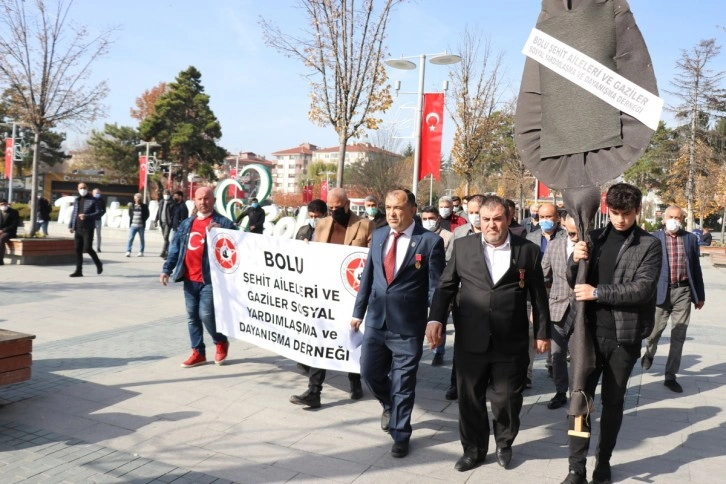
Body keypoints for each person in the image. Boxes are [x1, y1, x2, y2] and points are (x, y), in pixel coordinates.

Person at [427, 194, 550, 472]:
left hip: (511, 339)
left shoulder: (527, 251)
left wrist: (543, 332)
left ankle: (504, 444)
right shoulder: (463, 247)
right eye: (486, 220)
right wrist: (435, 319)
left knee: (507, 398)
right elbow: (445, 286)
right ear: (479, 221)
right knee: (469, 398)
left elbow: (538, 295)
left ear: (507, 218)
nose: (492, 225)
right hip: (471, 337)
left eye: (497, 219)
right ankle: (473, 449)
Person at [562, 183, 661, 484]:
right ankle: (575, 467)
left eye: (627, 214)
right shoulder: (593, 238)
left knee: (613, 403)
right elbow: (573, 281)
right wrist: (574, 259)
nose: (620, 219)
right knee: (579, 400)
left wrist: (598, 292)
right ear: (607, 209)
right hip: (587, 335)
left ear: (638, 211)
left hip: (623, 339)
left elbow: (643, 290)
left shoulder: (649, 244)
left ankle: (603, 462)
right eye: (615, 213)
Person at [352, 189, 445, 458]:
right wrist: (358, 312)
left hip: (408, 326)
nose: (392, 213)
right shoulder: (379, 235)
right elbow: (368, 277)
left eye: (398, 208)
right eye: (389, 207)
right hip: (376, 322)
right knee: (369, 372)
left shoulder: (429, 242)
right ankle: (389, 405)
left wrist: (434, 319)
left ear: (412, 210)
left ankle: (400, 433)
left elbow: (435, 286)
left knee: (404, 383)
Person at [290, 188, 375, 408]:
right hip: (326, 291)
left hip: (352, 292)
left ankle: (354, 379)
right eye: (331, 207)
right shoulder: (322, 224)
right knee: (321, 337)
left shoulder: (364, 225)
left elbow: (371, 257)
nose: (334, 211)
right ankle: (314, 391)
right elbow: (317, 253)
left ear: (347, 205)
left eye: (338, 207)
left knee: (349, 337)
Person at [160, 186, 237, 367]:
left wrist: (221, 235)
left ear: (214, 200)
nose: (203, 202)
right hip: (189, 279)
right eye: (200, 199)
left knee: (206, 314)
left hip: (210, 280)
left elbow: (236, 250)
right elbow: (175, 248)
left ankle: (220, 341)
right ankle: (198, 352)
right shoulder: (187, 223)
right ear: (194, 200)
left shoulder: (224, 223)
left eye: (207, 198)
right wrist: (166, 269)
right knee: (192, 316)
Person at [641, 205, 705, 393]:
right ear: (664, 218)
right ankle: (649, 353)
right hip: (660, 293)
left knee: (679, 335)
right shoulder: (653, 238)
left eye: (678, 217)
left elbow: (696, 269)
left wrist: (699, 296)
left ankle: (670, 376)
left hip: (683, 292)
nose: (674, 220)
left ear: (682, 220)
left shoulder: (690, 239)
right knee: (654, 333)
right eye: (671, 216)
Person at [439, 194, 486, 400]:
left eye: (478, 213)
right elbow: (449, 264)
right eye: (472, 212)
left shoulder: (496, 233)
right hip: (463, 298)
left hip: (487, 299)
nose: (475, 217)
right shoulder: (459, 233)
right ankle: (455, 383)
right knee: (462, 343)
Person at [526, 202, 566, 387]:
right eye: (542, 217)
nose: (545, 221)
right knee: (531, 331)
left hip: (557, 291)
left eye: (549, 217)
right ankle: (526, 372)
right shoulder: (531, 237)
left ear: (557, 217)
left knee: (555, 331)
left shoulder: (566, 237)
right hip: (534, 290)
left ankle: (552, 364)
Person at [542, 214, 579, 410]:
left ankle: (577, 393)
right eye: (571, 233)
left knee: (577, 356)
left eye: (578, 233)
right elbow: (543, 274)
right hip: (557, 308)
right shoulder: (555, 245)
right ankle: (560, 391)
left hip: (581, 310)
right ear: (564, 226)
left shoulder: (591, 246)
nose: (574, 237)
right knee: (556, 355)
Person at [68, 183, 104, 277]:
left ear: (87, 189)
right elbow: (74, 213)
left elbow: (99, 213)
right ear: (78, 189)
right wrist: (71, 225)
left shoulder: (94, 200)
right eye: (81, 188)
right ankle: (78, 271)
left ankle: (98, 263)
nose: (82, 189)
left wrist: (86, 216)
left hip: (88, 228)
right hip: (78, 228)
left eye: (84, 188)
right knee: (77, 249)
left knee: (88, 248)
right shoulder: (77, 200)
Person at [0, 199, 20, 265]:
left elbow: (14, 224)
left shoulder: (13, 212)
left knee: (1, 239)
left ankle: (0, 260)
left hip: (10, 232)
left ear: (7, 204)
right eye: (1, 204)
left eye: (4, 204)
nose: (3, 206)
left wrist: (3, 230)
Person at [156, 189, 174, 258]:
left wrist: (172, 221)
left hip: (168, 222)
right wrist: (156, 220)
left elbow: (173, 213)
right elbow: (158, 211)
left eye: (167, 193)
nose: (166, 195)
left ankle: (163, 252)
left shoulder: (172, 202)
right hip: (162, 222)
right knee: (165, 239)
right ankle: (168, 252)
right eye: (165, 193)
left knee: (166, 237)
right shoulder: (161, 202)